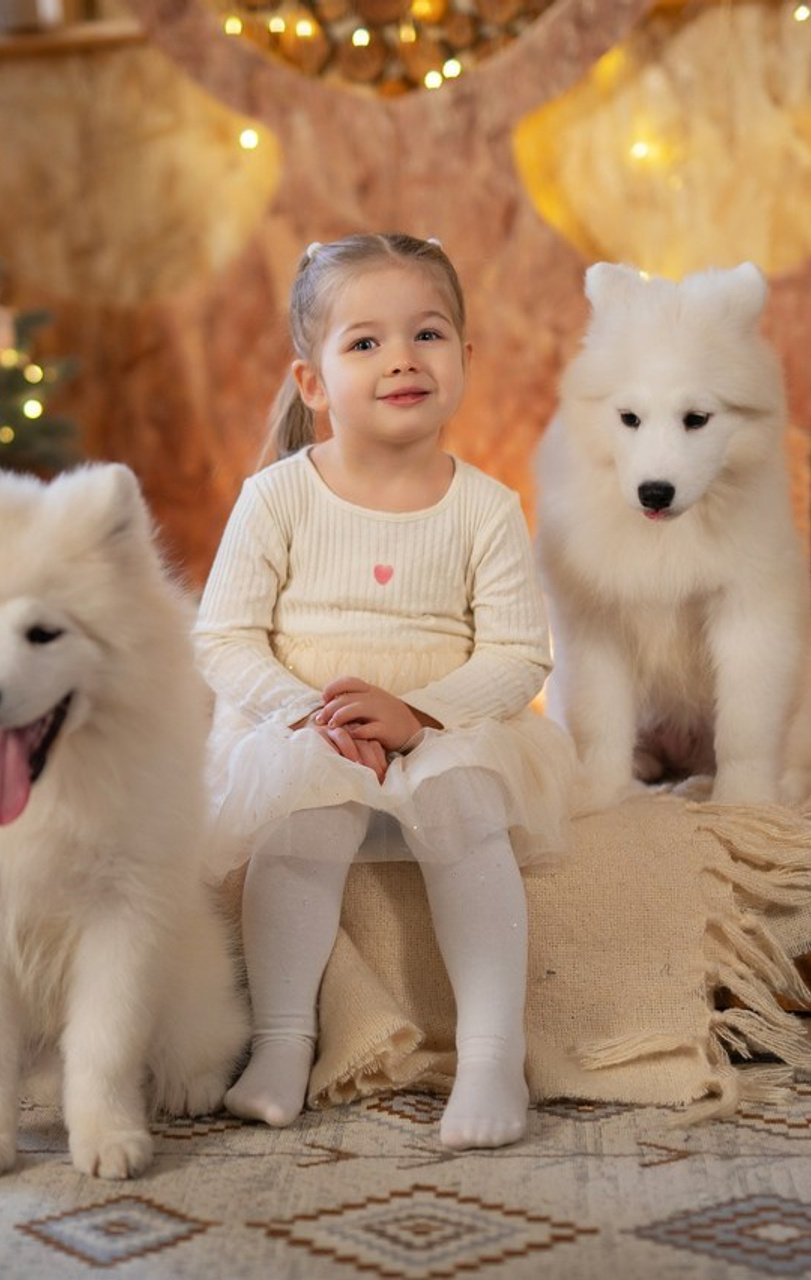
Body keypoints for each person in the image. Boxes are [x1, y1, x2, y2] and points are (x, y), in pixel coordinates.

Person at [193, 233, 576, 1150]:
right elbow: (223, 636)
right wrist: (306, 712)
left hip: (446, 725)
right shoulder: (279, 496)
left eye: (427, 334)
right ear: (312, 382)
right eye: (364, 342)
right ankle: (285, 1042)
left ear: (465, 360)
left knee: (462, 805)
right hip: (311, 725)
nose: (401, 358)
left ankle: (492, 1053)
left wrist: (422, 716)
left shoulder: (485, 505)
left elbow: (520, 654)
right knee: (301, 819)